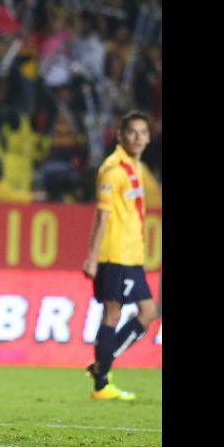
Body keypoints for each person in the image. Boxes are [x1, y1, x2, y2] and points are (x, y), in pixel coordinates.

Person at [81, 110, 159, 401]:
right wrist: (92, 257)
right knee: (113, 313)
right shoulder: (112, 170)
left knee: (148, 312)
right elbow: (101, 216)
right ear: (120, 135)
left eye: (143, 133)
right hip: (113, 254)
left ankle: (102, 365)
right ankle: (102, 383)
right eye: (132, 132)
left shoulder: (135, 166)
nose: (138, 138)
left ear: (149, 137)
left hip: (131, 256)